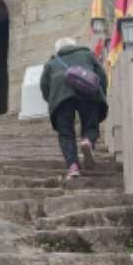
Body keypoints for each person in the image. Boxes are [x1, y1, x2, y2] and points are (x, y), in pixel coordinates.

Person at [40, 37, 108, 180]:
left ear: (58, 49)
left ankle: (73, 166)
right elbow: (102, 75)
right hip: (88, 91)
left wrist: (53, 100)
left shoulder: (52, 63)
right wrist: (101, 93)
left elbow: (44, 86)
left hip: (61, 96)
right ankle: (87, 140)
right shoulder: (88, 55)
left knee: (66, 133)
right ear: (74, 46)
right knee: (90, 124)